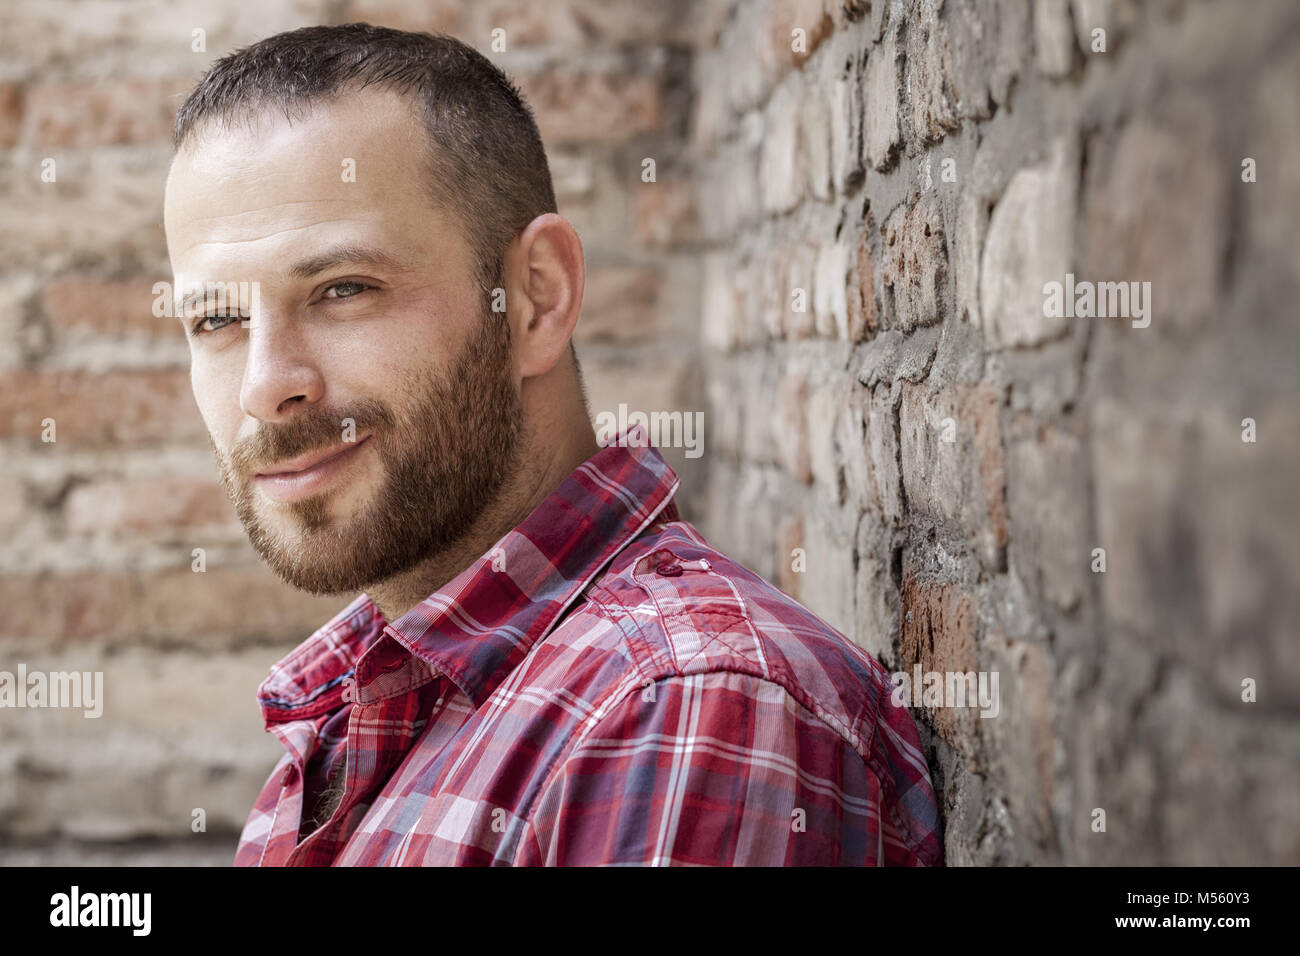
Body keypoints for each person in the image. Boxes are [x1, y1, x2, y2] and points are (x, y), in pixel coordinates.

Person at [162, 23, 943, 866]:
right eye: (218, 319)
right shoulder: (367, 699)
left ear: (536, 299)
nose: (264, 386)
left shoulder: (686, 710)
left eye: (343, 289)